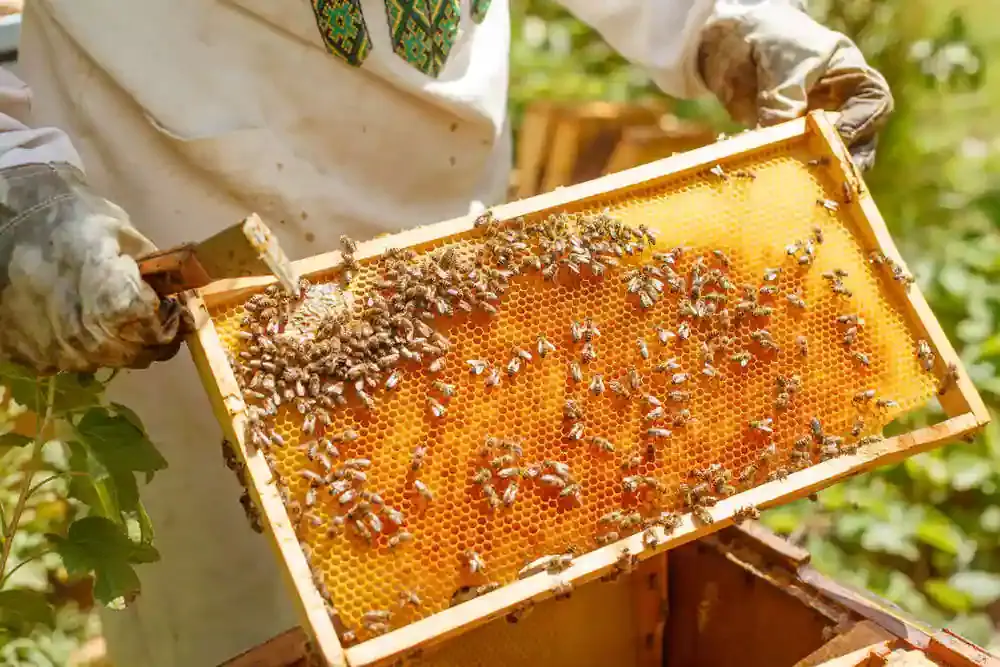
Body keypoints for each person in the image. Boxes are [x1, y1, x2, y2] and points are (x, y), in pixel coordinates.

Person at [2, 0, 892, 664]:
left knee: (480, 581)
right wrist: (16, 184)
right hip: (181, 254)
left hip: (458, 256)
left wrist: (724, 18)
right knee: (239, 626)